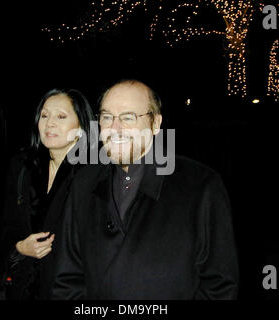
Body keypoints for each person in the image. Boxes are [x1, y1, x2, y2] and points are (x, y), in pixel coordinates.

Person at [50, 79, 239, 299]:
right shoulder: (83, 182)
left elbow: (220, 285)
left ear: (156, 123)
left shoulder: (200, 186)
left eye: (128, 117)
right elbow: (66, 279)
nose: (115, 128)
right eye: (107, 117)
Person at [1, 88, 95, 300]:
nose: (49, 123)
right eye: (44, 115)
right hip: (24, 287)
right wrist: (20, 247)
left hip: (73, 291)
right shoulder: (22, 167)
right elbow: (8, 226)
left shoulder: (95, 173)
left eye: (61, 116)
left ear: (81, 125)